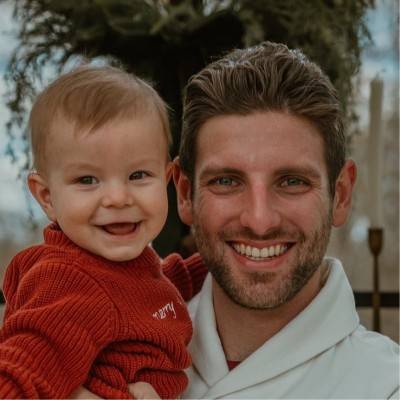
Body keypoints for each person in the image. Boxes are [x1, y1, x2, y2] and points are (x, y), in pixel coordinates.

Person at [74, 41, 400, 400]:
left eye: (292, 182)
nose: (259, 220)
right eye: (227, 182)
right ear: (184, 194)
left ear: (341, 195)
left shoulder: (387, 385)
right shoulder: (95, 350)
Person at [0, 65, 207, 399]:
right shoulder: (70, 284)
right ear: (47, 197)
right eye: (87, 180)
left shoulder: (115, 268)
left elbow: (149, 291)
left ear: (166, 178)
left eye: (138, 175)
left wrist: (211, 264)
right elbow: (20, 374)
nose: (117, 198)